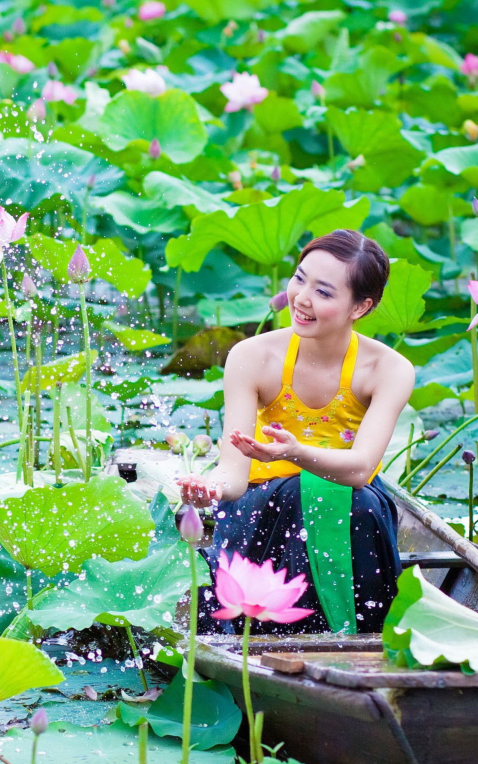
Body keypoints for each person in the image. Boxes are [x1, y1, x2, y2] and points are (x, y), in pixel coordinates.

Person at [178, 229, 415, 634]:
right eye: (299, 278)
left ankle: (359, 634)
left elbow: (359, 469)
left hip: (351, 506)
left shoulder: (388, 369)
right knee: (296, 494)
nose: (301, 298)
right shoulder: (252, 356)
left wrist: (294, 453)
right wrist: (211, 488)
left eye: (324, 292)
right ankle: (289, 634)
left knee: (352, 501)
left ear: (361, 307)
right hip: (263, 510)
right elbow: (234, 473)